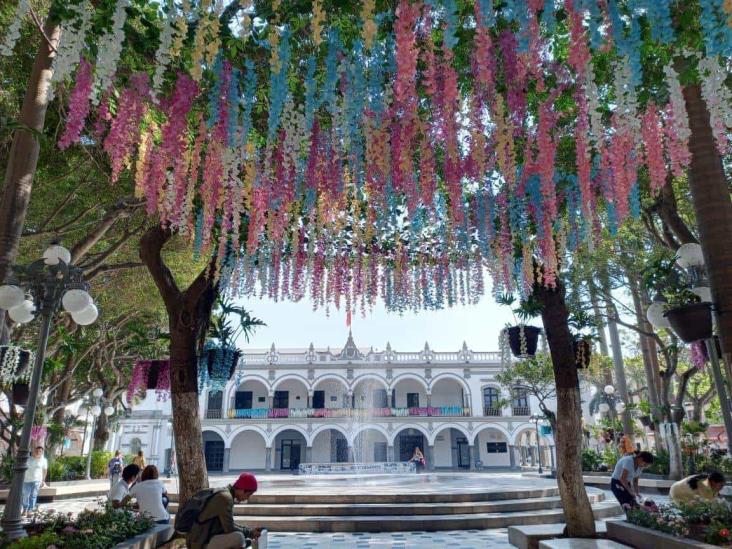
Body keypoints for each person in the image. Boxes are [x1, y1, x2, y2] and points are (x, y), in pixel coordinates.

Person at [185, 472, 261, 549]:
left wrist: (249, 531)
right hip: (200, 543)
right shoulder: (226, 499)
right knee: (239, 537)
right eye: (248, 494)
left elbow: (229, 523)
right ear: (242, 489)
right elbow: (230, 528)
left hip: (203, 538)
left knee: (240, 539)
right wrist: (249, 533)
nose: (247, 498)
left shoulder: (226, 494)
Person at [22, 446, 48, 516]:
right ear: (34, 451)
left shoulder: (44, 460)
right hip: (26, 480)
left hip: (37, 481)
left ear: (42, 452)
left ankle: (30, 510)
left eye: (40, 451)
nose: (38, 452)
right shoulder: (29, 459)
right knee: (26, 495)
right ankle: (25, 509)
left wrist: (43, 480)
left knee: (33, 495)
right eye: (36, 451)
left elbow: (45, 470)